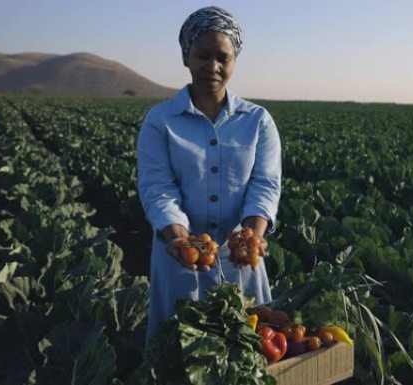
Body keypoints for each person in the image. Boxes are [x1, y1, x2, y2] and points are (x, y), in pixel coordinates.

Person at [136, 6, 282, 342]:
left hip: (241, 263)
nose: (212, 66)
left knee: (245, 355)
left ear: (234, 62)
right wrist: (177, 236)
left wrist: (251, 237)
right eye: (203, 55)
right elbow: (158, 187)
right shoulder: (161, 121)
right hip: (179, 260)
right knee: (177, 356)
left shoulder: (258, 121)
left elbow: (265, 185)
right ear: (187, 56)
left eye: (223, 57)